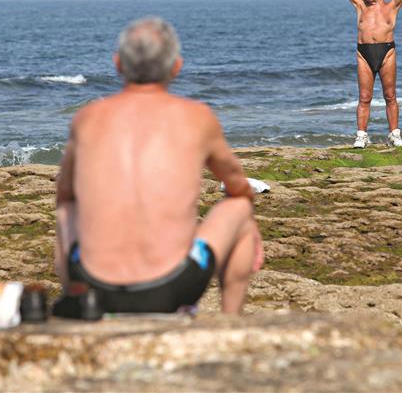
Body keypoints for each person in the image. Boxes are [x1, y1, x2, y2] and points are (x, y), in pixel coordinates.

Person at [54, 17, 264, 317]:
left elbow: (65, 195)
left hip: (93, 284)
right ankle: (230, 322)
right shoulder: (197, 117)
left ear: (118, 64)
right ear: (176, 67)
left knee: (66, 211)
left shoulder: (87, 118)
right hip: (171, 285)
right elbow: (237, 186)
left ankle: (78, 306)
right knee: (241, 208)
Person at [338, 0, 402, 148]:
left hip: (386, 52)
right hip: (364, 53)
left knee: (390, 96)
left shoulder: (392, 6)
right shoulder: (360, 4)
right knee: (364, 97)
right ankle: (361, 136)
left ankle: (394, 135)